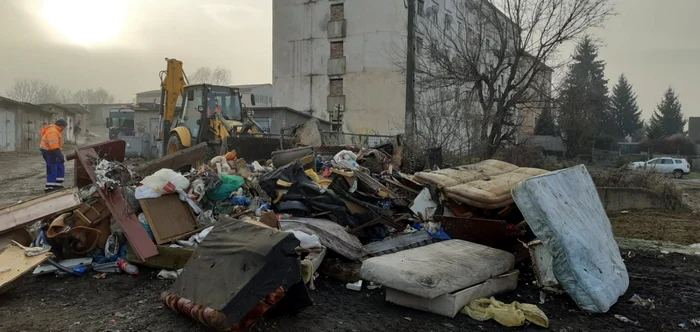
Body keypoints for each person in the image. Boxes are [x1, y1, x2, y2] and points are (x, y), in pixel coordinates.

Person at [40, 119, 67, 193]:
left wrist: (59, 155)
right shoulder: (53, 131)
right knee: (52, 168)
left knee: (59, 166)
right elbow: (54, 146)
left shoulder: (55, 130)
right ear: (62, 126)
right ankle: (49, 187)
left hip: (52, 152)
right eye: (64, 127)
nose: (64, 129)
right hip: (50, 152)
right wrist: (59, 155)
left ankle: (56, 184)